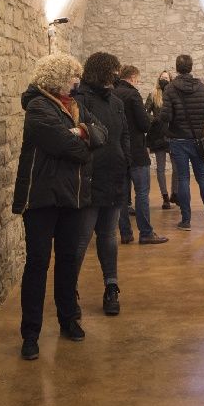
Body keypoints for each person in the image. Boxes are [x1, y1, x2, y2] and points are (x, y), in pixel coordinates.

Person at [12, 53, 97, 360]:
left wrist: (83, 133)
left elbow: (101, 134)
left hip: (72, 198)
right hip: (41, 198)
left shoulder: (76, 105)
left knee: (68, 261)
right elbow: (68, 147)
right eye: (73, 75)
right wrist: (80, 136)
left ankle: (68, 319)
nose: (77, 81)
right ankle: (30, 334)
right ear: (60, 77)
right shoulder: (37, 106)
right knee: (38, 264)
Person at [73, 52, 134, 318]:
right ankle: (69, 290)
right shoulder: (79, 100)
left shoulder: (117, 102)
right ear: (100, 71)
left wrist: (125, 162)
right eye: (112, 71)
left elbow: (125, 136)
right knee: (81, 239)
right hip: (89, 178)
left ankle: (111, 287)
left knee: (108, 236)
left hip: (114, 177)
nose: (116, 76)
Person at [161, 54, 204, 229]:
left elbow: (166, 116)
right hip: (197, 140)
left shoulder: (170, 89)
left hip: (178, 140)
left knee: (183, 179)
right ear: (191, 67)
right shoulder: (202, 88)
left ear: (177, 68)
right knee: (202, 178)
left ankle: (186, 221)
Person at [114, 64, 167, 246]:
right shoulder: (133, 94)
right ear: (133, 77)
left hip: (118, 150)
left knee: (121, 195)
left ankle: (126, 233)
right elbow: (144, 123)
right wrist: (151, 120)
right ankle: (146, 233)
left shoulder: (112, 93)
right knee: (142, 193)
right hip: (136, 149)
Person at [145, 71, 175, 210]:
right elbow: (145, 112)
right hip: (157, 135)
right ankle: (165, 197)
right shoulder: (153, 94)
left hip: (173, 134)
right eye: (162, 78)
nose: (164, 80)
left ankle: (175, 193)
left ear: (171, 80)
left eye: (166, 78)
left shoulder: (174, 94)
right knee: (161, 168)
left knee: (177, 167)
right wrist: (155, 120)